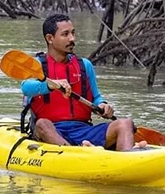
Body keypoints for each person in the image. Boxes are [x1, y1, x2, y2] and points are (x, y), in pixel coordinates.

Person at [20, 13, 137, 151]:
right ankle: (76, 153)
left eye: (73, 33)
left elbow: (96, 97)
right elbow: (26, 87)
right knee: (42, 124)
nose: (72, 38)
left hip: (83, 129)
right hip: (52, 131)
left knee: (125, 124)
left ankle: (127, 161)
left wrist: (103, 105)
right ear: (50, 38)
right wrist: (50, 85)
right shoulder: (37, 65)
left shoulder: (84, 65)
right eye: (65, 34)